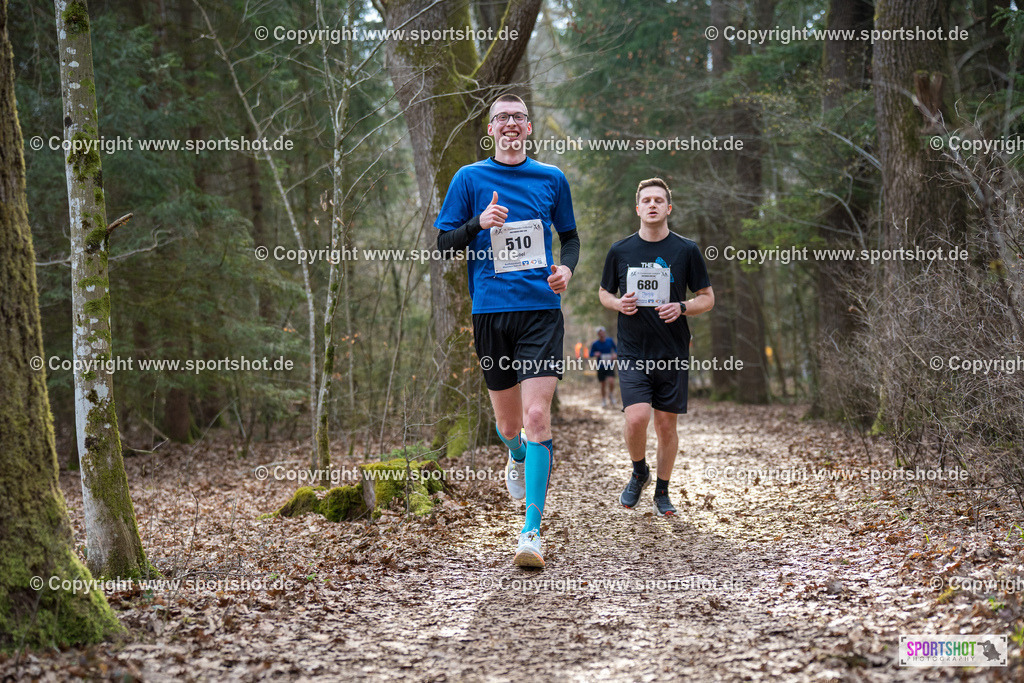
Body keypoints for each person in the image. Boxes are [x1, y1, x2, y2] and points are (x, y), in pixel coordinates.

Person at [435, 94, 579, 567]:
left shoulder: (551, 178)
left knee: (538, 416)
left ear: (529, 128)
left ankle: (531, 531)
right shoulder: (469, 179)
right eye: (502, 118)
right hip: (490, 314)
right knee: (509, 426)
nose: (511, 124)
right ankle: (515, 454)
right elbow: (443, 243)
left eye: (518, 117)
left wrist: (567, 270)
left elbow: (570, 237)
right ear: (491, 129)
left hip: (541, 309)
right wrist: (478, 222)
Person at [598, 178, 714, 516]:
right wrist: (618, 304)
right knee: (636, 419)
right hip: (633, 350)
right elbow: (604, 292)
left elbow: (707, 299)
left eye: (658, 200)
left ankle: (662, 490)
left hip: (672, 351)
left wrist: (681, 307)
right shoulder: (620, 250)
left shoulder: (686, 250)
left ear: (668, 208)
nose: (652, 205)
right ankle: (639, 471)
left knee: (666, 426)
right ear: (638, 209)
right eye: (646, 200)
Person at [589, 327, 618, 407]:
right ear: (598, 334)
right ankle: (603, 400)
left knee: (611, 381)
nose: (601, 334)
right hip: (601, 366)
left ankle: (611, 395)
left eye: (602, 332)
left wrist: (614, 354)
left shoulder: (610, 341)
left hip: (610, 364)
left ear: (605, 333)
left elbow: (616, 349)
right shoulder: (595, 343)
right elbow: (590, 354)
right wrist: (595, 354)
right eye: (600, 333)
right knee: (603, 384)